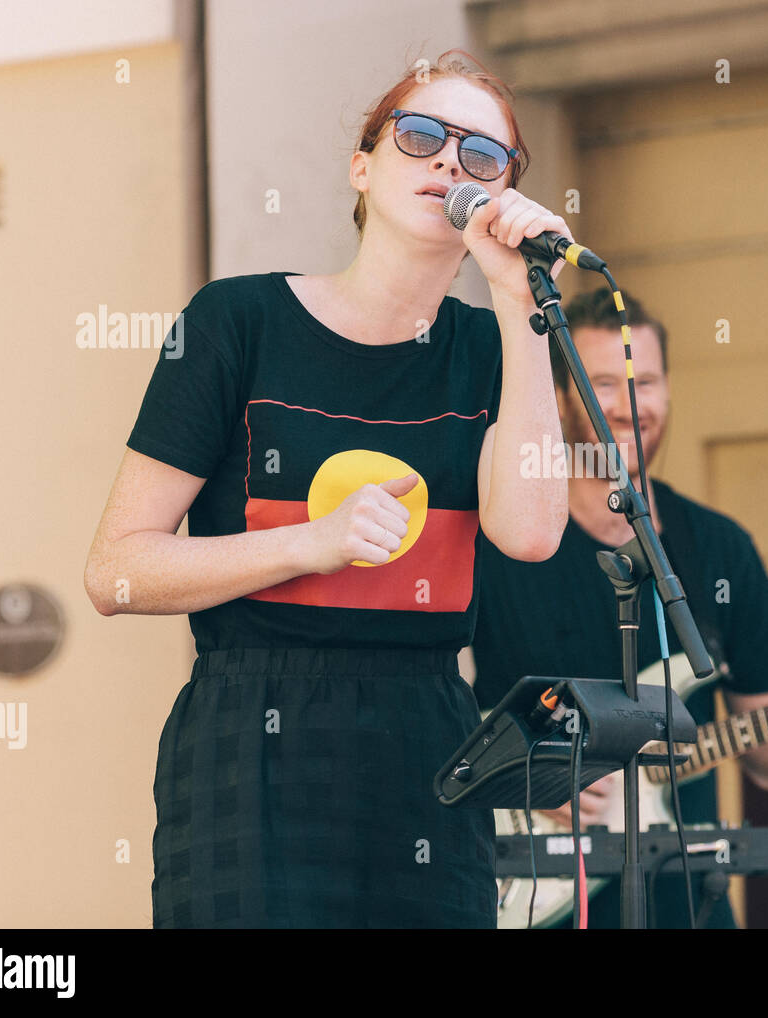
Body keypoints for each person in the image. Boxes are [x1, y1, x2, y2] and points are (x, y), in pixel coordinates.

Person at [83, 50, 570, 929]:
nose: (450, 162)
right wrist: (313, 543)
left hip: (428, 730)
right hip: (251, 727)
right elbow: (116, 571)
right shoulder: (238, 322)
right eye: (421, 136)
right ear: (363, 165)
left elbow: (531, 534)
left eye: (482, 155)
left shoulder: (496, 348)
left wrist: (519, 302)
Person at [468, 288, 768, 928]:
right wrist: (514, 772)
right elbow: (427, 708)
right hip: (532, 890)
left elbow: (765, 739)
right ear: (557, 399)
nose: (628, 405)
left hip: (685, 899)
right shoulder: (502, 540)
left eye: (645, 382)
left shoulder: (720, 547)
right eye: (602, 384)